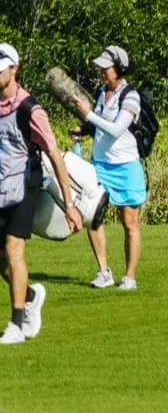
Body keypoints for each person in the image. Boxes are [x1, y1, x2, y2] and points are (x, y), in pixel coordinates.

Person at [0, 43, 82, 345]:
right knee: (0, 260)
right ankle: (30, 296)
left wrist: (70, 204)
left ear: (14, 69)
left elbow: (54, 154)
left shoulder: (31, 110)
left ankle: (15, 323)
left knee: (14, 251)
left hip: (25, 184)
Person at [71, 45, 146, 291]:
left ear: (119, 69)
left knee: (129, 222)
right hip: (101, 164)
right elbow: (100, 126)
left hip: (126, 166)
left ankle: (130, 277)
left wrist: (88, 115)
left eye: (107, 67)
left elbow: (116, 128)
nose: (102, 71)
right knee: (93, 216)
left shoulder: (131, 96)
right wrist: (85, 128)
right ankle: (104, 272)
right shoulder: (101, 91)